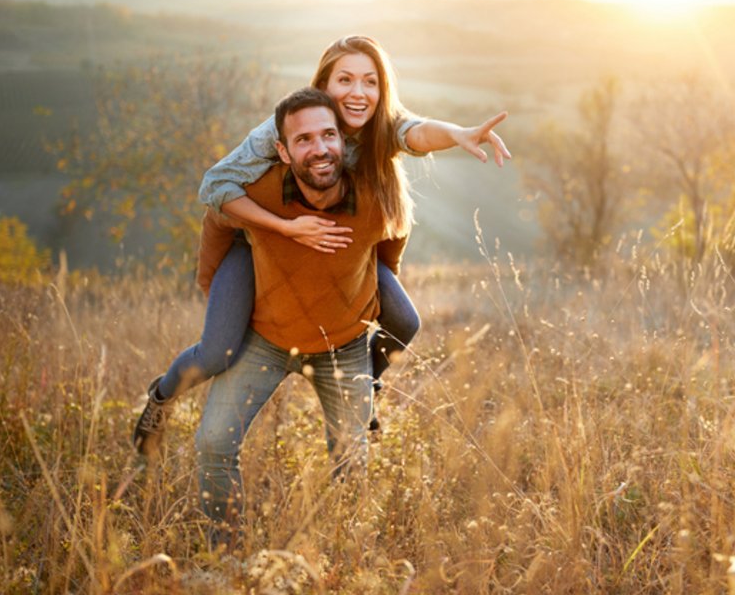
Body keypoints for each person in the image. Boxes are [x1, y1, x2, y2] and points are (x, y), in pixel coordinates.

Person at [132, 35, 510, 455]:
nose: (358, 92)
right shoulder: (287, 127)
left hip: (339, 248)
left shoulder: (378, 124)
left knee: (403, 320)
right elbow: (214, 187)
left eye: (370, 81)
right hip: (258, 240)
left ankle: (366, 390)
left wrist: (458, 133)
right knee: (217, 352)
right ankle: (160, 398)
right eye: (345, 79)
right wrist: (285, 227)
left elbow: (415, 133)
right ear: (324, 86)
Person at [195, 87, 401, 546]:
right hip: (264, 339)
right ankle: (223, 555)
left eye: (329, 135)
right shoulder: (260, 191)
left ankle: (348, 561)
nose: (321, 148)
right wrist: (211, 286)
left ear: (343, 142)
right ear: (283, 152)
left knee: (354, 457)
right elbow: (216, 218)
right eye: (304, 140)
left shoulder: (372, 193)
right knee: (213, 443)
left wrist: (376, 290)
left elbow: (392, 238)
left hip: (343, 345)